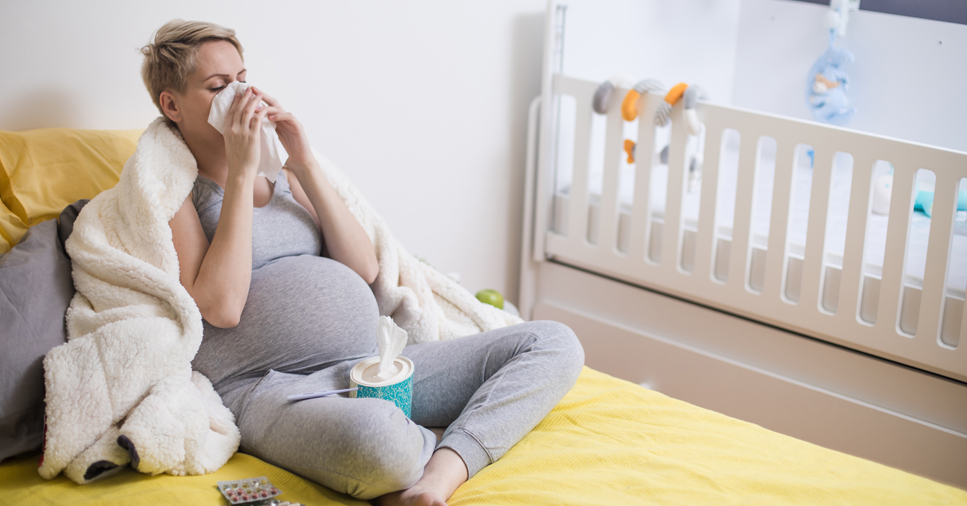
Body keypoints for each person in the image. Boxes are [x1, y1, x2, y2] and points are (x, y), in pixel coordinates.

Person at [143, 19, 583, 506]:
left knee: (552, 343)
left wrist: (304, 161)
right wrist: (240, 171)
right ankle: (421, 443)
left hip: (370, 365)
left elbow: (364, 268)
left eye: (243, 78)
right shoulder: (178, 191)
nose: (241, 95)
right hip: (271, 389)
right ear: (173, 105)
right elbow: (222, 308)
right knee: (379, 446)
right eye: (220, 86)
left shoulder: (283, 174)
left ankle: (443, 468)